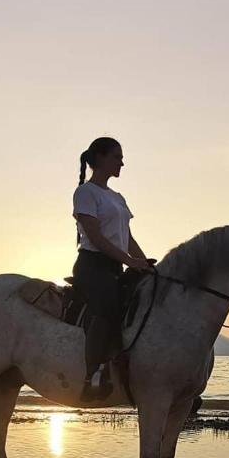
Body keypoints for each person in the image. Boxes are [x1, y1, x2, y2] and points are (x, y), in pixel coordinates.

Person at [72, 137, 153, 402]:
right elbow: (96, 237)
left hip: (116, 264)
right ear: (101, 158)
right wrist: (130, 262)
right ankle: (93, 375)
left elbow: (127, 237)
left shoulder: (117, 197)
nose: (122, 162)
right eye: (117, 157)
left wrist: (148, 265)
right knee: (108, 306)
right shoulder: (85, 192)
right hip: (92, 265)